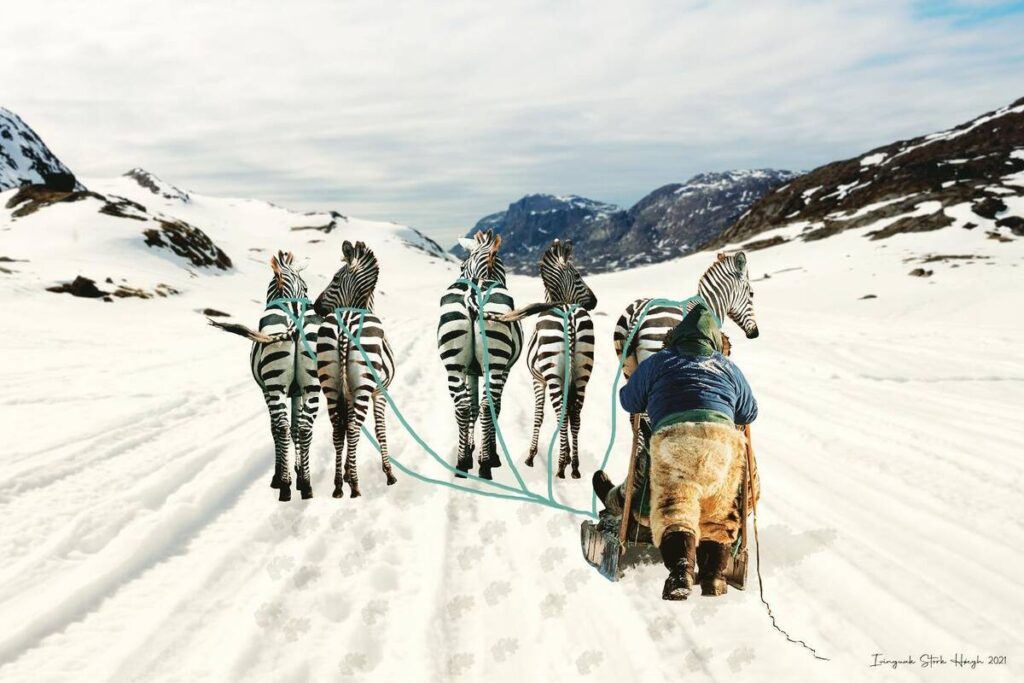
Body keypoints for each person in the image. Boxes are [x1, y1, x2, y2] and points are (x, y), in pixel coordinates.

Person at [594, 303, 758, 600]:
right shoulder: (728, 367)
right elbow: (750, 411)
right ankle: (714, 576)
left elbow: (629, 401)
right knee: (718, 515)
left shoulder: (659, 362)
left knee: (675, 511)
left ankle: (681, 571)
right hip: (722, 446)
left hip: (675, 442)